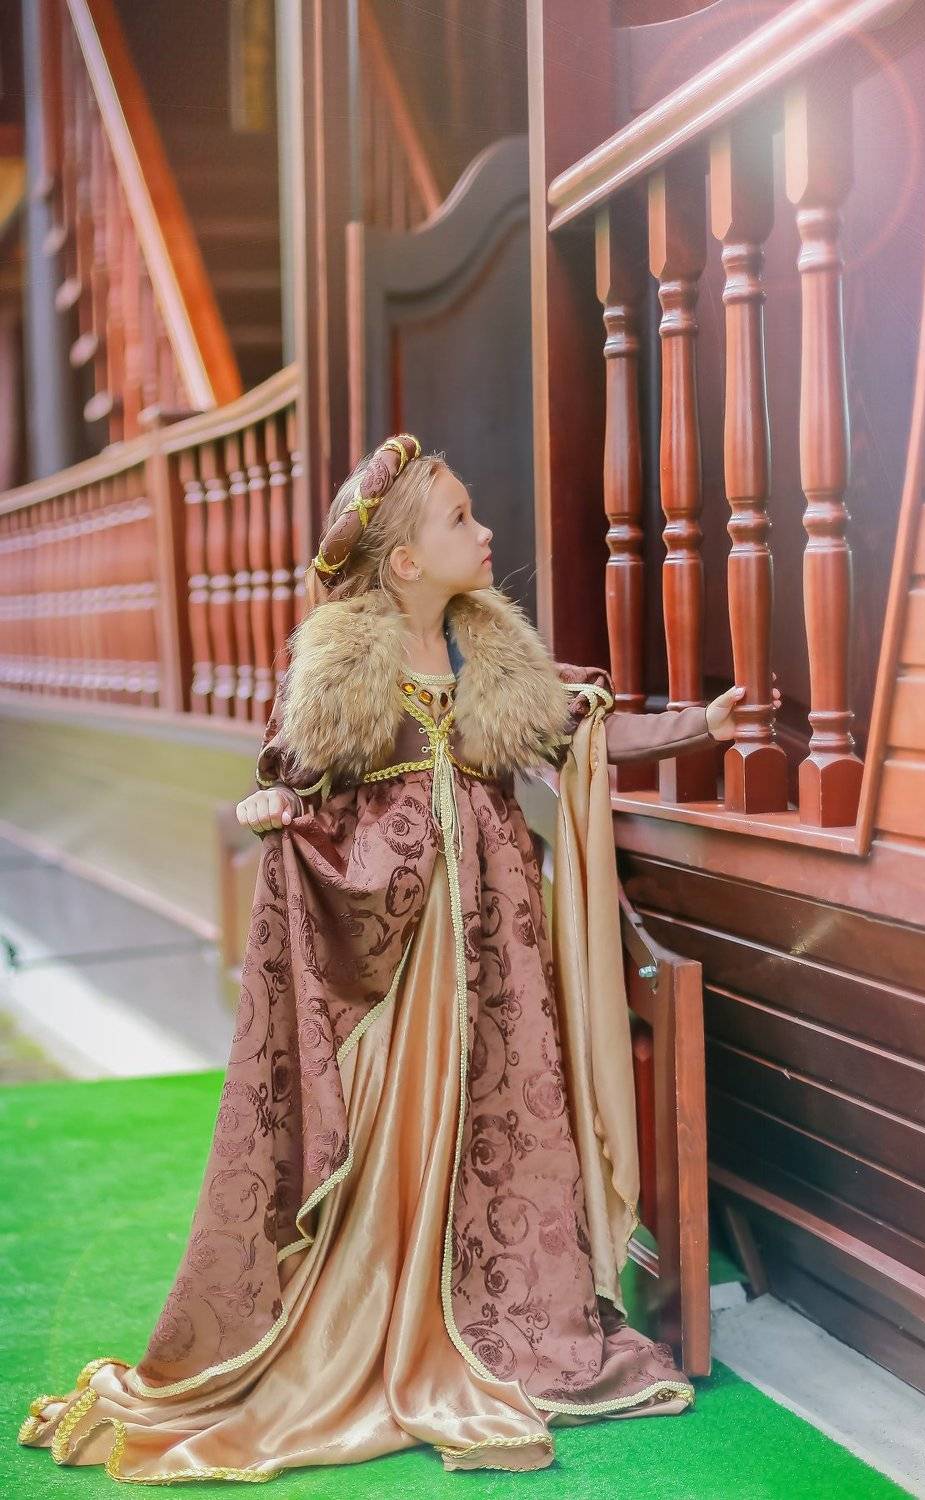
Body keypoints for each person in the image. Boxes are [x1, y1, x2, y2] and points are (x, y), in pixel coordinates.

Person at [18, 434, 774, 1482]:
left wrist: (700, 724)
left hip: (495, 953)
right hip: (400, 961)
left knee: (494, 1121)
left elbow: (578, 730)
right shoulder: (346, 666)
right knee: (396, 1131)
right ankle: (379, 1303)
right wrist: (277, 808)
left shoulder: (489, 655)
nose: (486, 531)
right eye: (462, 518)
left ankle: (491, 1307)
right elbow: (296, 780)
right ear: (407, 560)